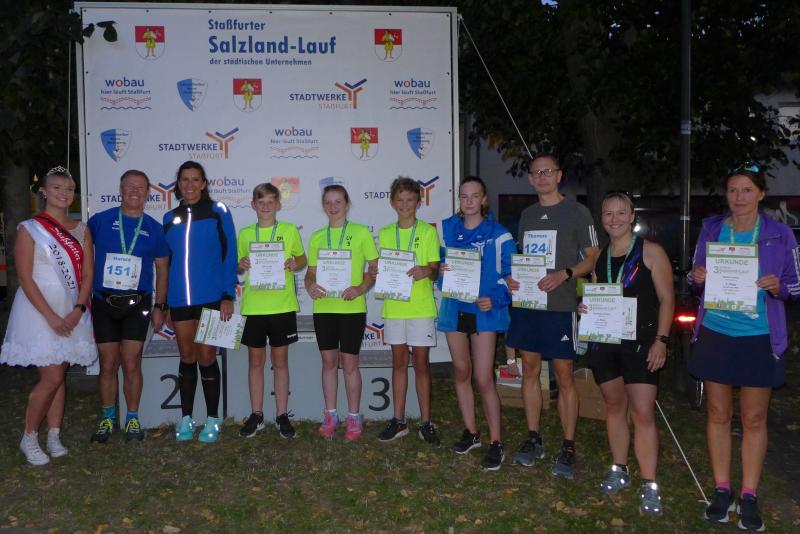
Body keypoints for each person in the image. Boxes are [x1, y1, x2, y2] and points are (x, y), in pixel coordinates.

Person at [688, 162, 799, 531]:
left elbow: (796, 284)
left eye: (747, 190)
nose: (739, 197)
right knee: (718, 415)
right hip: (716, 332)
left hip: (759, 335)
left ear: (761, 194)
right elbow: (693, 277)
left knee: (753, 419)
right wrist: (697, 277)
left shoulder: (780, 234)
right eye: (733, 190)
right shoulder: (711, 229)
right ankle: (722, 490)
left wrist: (779, 287)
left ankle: (749, 494)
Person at [579, 191, 674, 515]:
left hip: (641, 344)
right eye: (608, 213)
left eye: (621, 213)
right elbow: (597, 294)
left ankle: (649, 483)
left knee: (643, 412)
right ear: (601, 218)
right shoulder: (599, 256)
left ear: (632, 216)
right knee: (614, 406)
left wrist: (661, 340)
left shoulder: (651, 252)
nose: (615, 219)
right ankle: (619, 468)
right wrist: (585, 307)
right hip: (605, 343)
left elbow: (667, 299)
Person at [505, 154, 600, 478]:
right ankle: (533, 437)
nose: (542, 176)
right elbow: (525, 259)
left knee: (564, 376)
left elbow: (592, 258)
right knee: (530, 371)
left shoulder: (577, 211)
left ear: (559, 176)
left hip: (560, 306)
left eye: (547, 171)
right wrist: (514, 279)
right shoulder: (527, 215)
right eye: (536, 172)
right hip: (529, 305)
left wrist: (565, 274)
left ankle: (568, 445)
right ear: (530, 178)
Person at [1, 166, 96, 465]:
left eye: (69, 189)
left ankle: (54, 435)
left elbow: (87, 275)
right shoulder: (30, 229)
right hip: (39, 309)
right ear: (44, 191)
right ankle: (29, 436)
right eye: (57, 187)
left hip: (71, 307)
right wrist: (52, 317)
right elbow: (25, 278)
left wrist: (78, 310)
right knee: (52, 376)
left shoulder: (82, 230)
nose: (64, 193)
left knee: (59, 375)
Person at [438, 176, 515, 470]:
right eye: (463, 196)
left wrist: (494, 299)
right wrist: (441, 272)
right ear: (459, 200)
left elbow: (512, 276)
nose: (468, 201)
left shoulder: (500, 234)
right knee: (461, 371)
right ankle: (471, 432)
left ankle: (496, 441)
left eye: (474, 196)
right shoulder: (448, 230)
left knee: (483, 378)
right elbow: (441, 274)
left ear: (483, 199)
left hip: (483, 311)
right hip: (455, 308)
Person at [87, 170, 169, 443]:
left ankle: (132, 417)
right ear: (120, 190)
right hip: (104, 301)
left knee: (132, 363)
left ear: (148, 193)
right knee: (108, 363)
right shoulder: (100, 221)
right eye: (129, 186)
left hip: (138, 303)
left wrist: (160, 306)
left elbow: (162, 270)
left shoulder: (154, 228)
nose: (134, 190)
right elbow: (81, 252)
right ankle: (107, 418)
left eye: (140, 187)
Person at [163, 161, 237, 443]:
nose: (190, 185)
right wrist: (165, 303)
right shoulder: (169, 217)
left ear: (204, 183)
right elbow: (165, 263)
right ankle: (185, 418)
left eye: (195, 179)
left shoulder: (218, 211)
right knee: (187, 357)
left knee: (206, 357)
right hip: (179, 300)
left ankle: (213, 419)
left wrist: (227, 295)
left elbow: (230, 253)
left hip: (212, 298)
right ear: (178, 183)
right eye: (185, 179)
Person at [305, 184, 378, 440]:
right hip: (324, 307)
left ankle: (354, 416)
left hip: (351, 308)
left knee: (349, 363)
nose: (333, 206)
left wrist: (360, 288)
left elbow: (373, 270)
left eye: (338, 202)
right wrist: (310, 286)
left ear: (347, 204)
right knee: (328, 362)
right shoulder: (317, 237)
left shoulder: (361, 233)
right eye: (328, 202)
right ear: (323, 206)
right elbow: (310, 274)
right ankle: (330, 415)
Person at [236, 183, 306, 439]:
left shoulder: (288, 230)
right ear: (253, 205)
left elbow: (302, 260)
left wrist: (294, 263)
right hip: (254, 307)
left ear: (278, 204)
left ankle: (282, 414)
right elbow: (239, 267)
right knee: (255, 362)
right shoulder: (245, 233)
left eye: (270, 202)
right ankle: (256, 415)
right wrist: (241, 264)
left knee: (280, 362)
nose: (265, 206)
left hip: (282, 306)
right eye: (261, 202)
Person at [377, 177, 441, 445]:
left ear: (419, 201)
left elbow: (435, 270)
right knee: (399, 362)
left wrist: (427, 270)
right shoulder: (384, 233)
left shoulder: (427, 232)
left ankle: (425, 422)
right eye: (400, 200)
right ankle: (399, 420)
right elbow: (381, 268)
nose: (405, 205)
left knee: (422, 364)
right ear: (392, 202)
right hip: (394, 307)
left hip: (421, 307)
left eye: (410, 200)